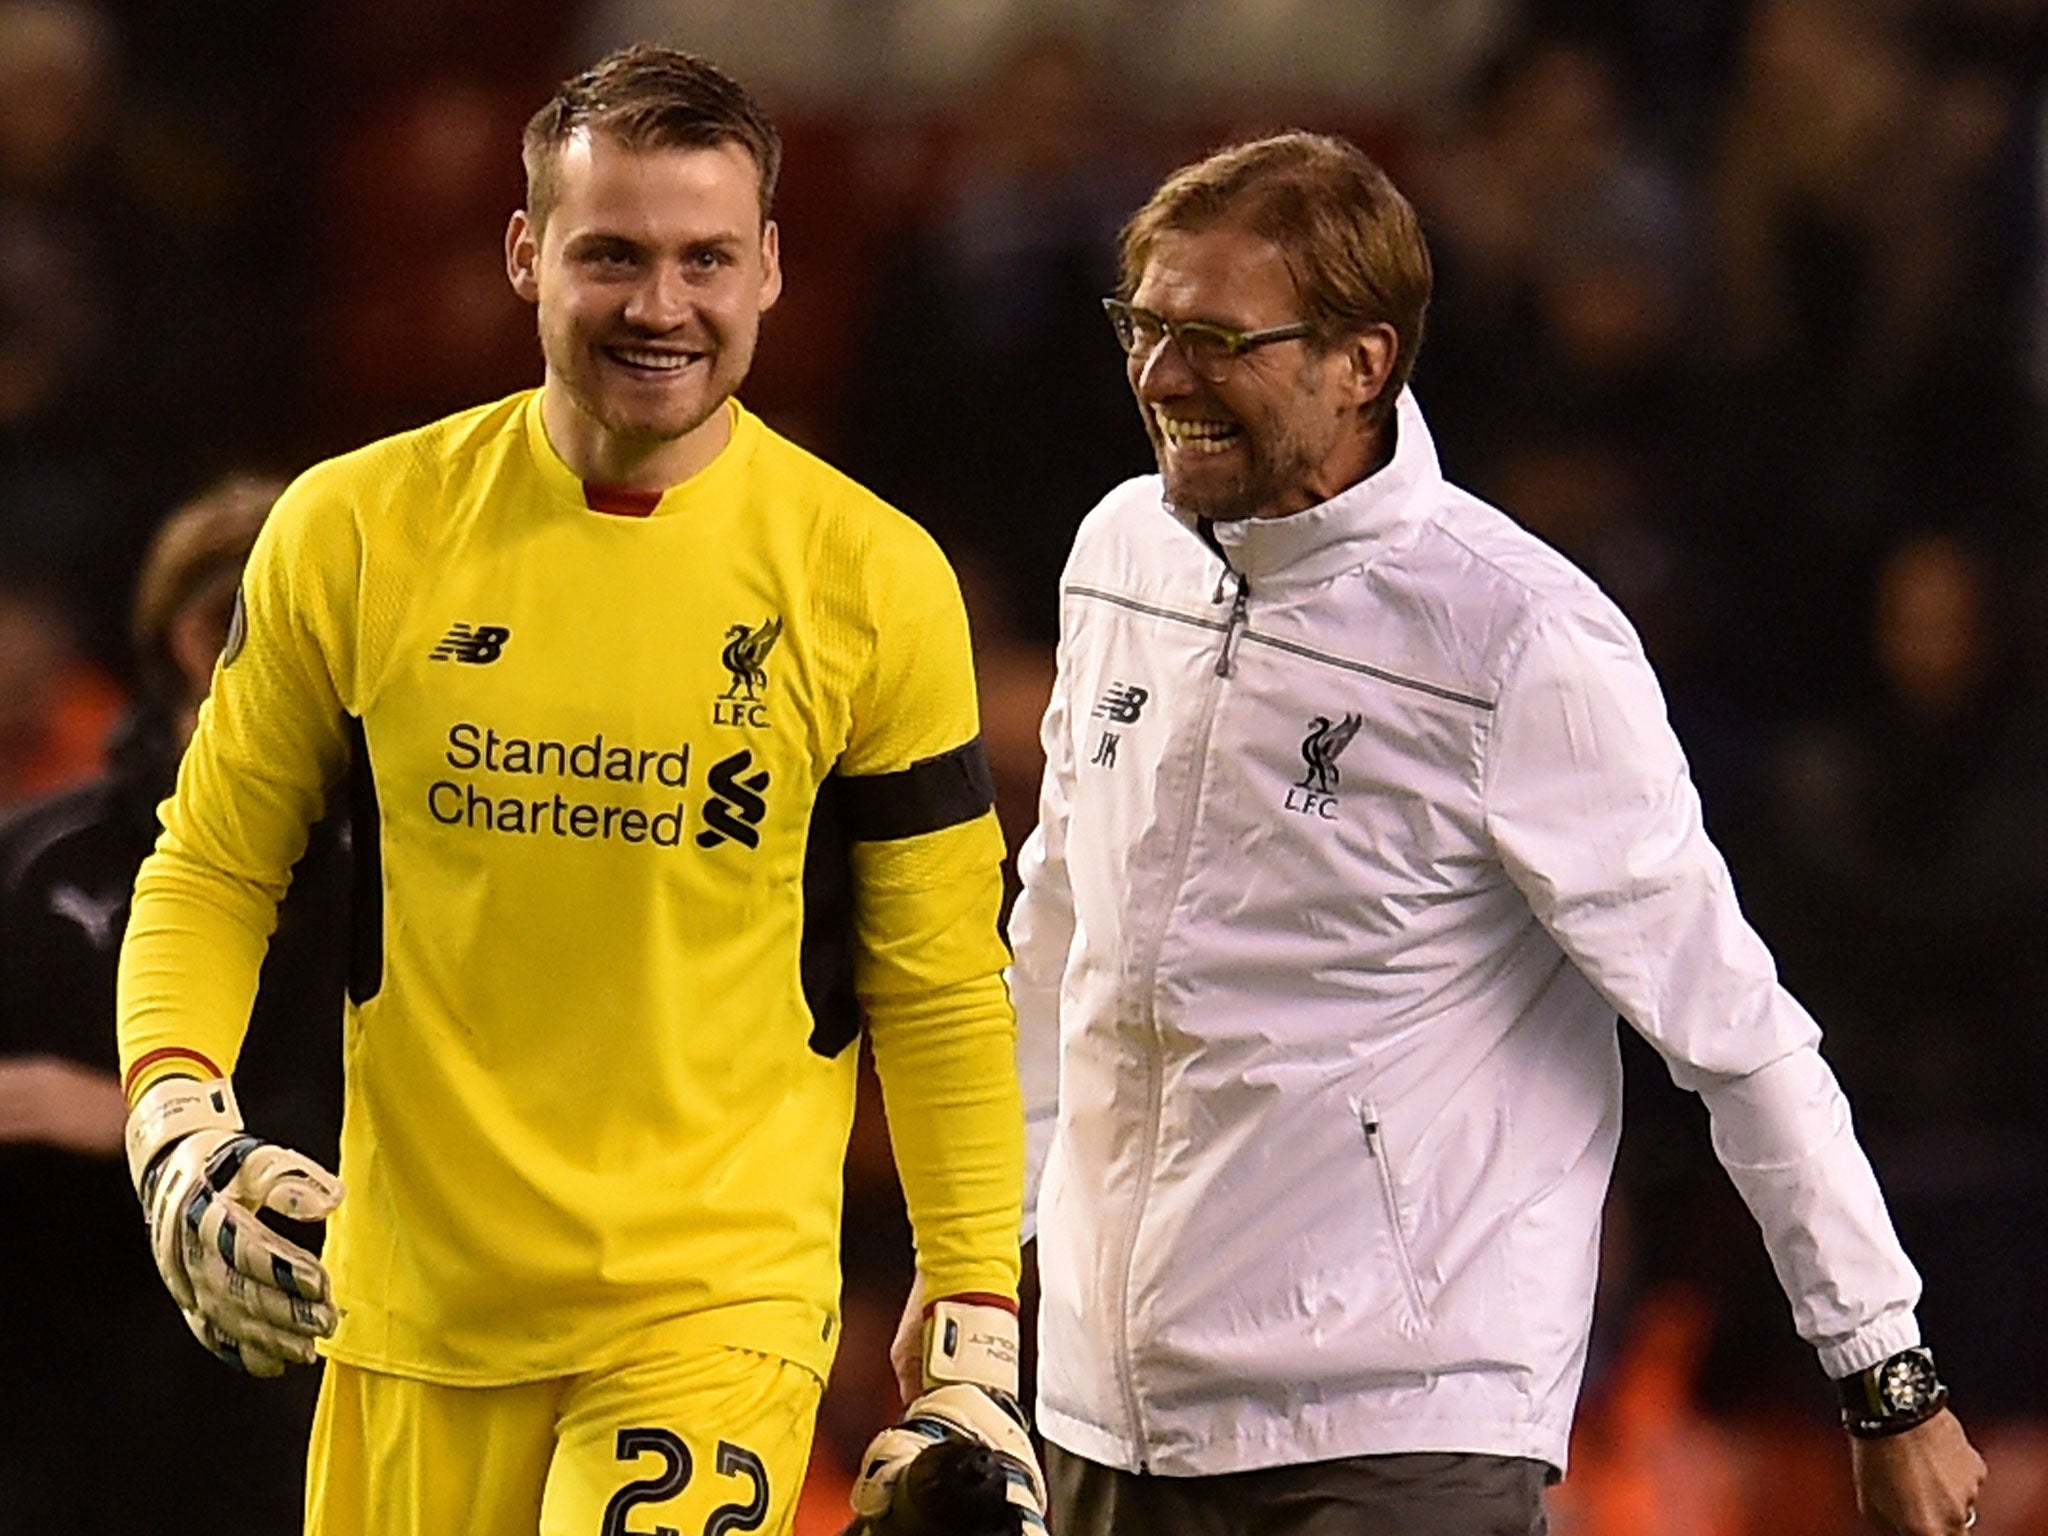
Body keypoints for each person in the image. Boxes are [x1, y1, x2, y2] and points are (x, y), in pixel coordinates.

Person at [992, 131, 1988, 1536]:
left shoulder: (1520, 641)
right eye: (1145, 326)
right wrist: (985, 1268)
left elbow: (1732, 1029)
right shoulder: (1117, 556)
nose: (1161, 377)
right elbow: (1058, 937)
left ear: (1364, 361)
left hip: (1396, 1433)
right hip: (1100, 1414)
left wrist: (1885, 1370)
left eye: (1216, 338)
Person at [114, 47, 1041, 1536]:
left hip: (712, 1312)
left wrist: (974, 1325)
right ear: (525, 253)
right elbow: (213, 865)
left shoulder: (874, 581)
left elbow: (936, 979)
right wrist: (174, 1122)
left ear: (773, 270)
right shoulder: (352, 532)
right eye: (612, 254)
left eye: (704, 260)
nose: (660, 307)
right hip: (409, 1311)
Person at [0, 473, 348, 1535]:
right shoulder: (43, 859)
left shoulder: (394, 876)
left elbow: (399, 1136)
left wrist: (129, 1120)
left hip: (282, 1379)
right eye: (218, 620)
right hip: (52, 1366)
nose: (238, 655)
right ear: (167, 641)